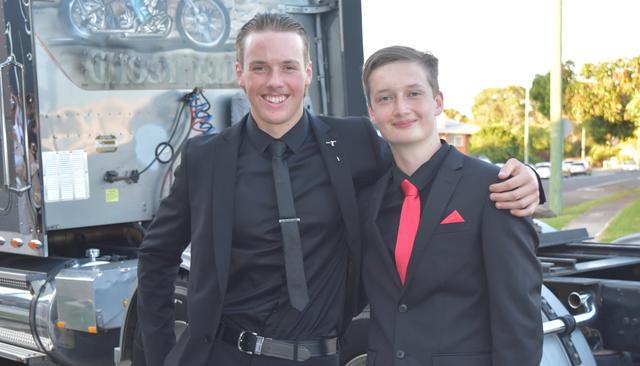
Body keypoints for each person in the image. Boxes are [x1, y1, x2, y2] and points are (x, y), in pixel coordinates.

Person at [137, 13, 542, 366]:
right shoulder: (206, 158)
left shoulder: (355, 143)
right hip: (225, 356)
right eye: (259, 67)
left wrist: (528, 179)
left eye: (288, 67)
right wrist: (160, 357)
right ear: (239, 73)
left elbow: (429, 169)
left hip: (321, 357)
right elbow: (157, 256)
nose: (274, 82)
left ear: (308, 73)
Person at [359, 45, 543, 366]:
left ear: (438, 102)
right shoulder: (368, 198)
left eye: (414, 93)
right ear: (372, 111)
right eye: (385, 98)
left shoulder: (494, 189)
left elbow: (518, 316)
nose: (401, 108)